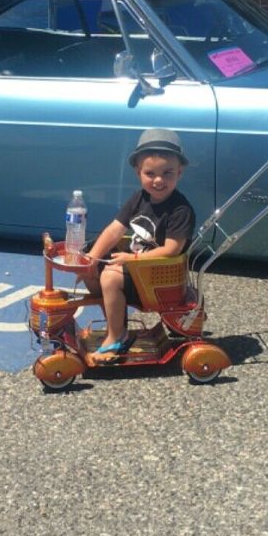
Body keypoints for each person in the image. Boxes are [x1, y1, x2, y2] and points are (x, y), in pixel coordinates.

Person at [83, 129, 196, 364]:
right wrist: (92, 257)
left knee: (111, 277)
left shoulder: (180, 210)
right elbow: (115, 229)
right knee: (90, 266)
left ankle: (117, 335)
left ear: (180, 173)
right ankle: (116, 320)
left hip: (157, 276)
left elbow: (171, 250)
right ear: (138, 173)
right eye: (150, 173)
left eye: (167, 173)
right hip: (139, 268)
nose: (158, 180)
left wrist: (130, 260)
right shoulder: (139, 198)